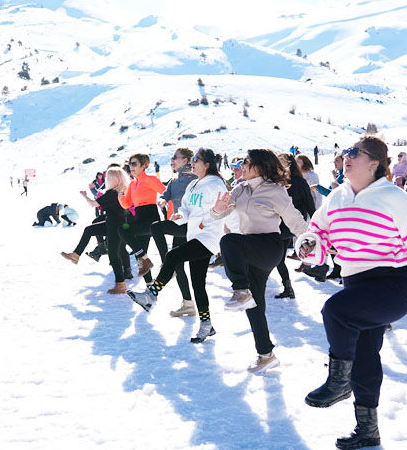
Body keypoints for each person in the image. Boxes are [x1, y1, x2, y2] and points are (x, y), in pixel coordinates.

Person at [296, 135, 407, 450]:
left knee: (335, 311)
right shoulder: (336, 197)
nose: (345, 156)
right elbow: (317, 234)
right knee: (364, 354)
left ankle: (339, 382)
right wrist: (308, 246)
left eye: (353, 153)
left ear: (375, 163)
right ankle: (367, 430)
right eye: (344, 152)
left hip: (392, 283)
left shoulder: (394, 197)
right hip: (356, 285)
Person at [211, 149, 307, 374]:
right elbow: (219, 215)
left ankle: (240, 290)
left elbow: (295, 221)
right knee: (255, 306)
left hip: (268, 246)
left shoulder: (276, 191)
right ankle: (266, 355)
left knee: (228, 242)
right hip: (248, 247)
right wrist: (217, 210)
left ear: (260, 166)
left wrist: (313, 241)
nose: (241, 165)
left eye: (246, 162)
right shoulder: (239, 189)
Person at [128, 148, 228, 343]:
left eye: (196, 159)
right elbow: (186, 208)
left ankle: (151, 294)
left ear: (207, 164)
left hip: (208, 237)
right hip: (194, 236)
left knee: (173, 256)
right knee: (198, 283)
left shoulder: (216, 184)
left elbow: (225, 209)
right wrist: (180, 215)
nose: (193, 161)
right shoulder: (192, 184)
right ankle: (207, 325)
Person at [61, 167, 132, 293]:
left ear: (114, 179)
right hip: (114, 223)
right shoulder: (122, 190)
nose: (107, 180)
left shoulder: (112, 193)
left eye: (108, 178)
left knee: (114, 255)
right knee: (89, 230)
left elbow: (94, 204)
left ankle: (120, 284)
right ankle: (76, 255)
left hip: (114, 226)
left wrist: (84, 196)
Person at [150, 148, 198, 316]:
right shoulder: (174, 180)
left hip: (190, 226)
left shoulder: (195, 179)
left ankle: (165, 263)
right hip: (180, 224)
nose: (171, 160)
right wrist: (162, 200)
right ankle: (188, 304)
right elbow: (165, 194)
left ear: (185, 161)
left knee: (156, 227)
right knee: (179, 265)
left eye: (174, 157)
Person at [274, 153, 318, 298]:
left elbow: (310, 206)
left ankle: (288, 288)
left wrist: (315, 228)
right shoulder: (278, 182)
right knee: (278, 258)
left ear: (289, 164)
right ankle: (287, 287)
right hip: (280, 225)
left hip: (289, 225)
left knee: (277, 259)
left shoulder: (299, 182)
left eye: (281, 162)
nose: (278, 165)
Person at [118, 154, 166, 283]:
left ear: (144, 165)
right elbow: (126, 204)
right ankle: (150, 286)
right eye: (130, 164)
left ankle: (145, 259)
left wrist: (169, 212)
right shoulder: (132, 184)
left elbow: (165, 193)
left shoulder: (150, 179)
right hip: (139, 218)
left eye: (134, 164)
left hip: (151, 219)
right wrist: (120, 197)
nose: (131, 167)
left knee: (122, 230)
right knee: (141, 257)